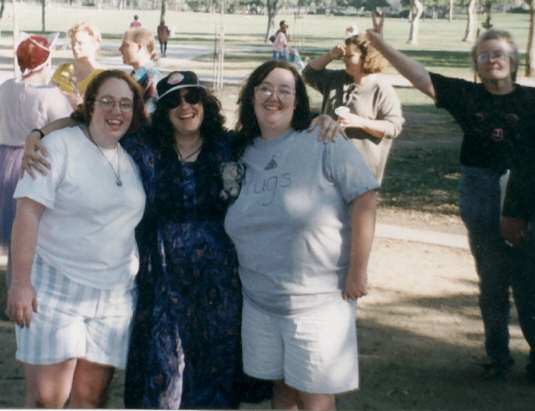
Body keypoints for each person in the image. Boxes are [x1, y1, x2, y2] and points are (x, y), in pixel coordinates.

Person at [21, 70, 343, 409]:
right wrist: (38, 133)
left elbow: (277, 129)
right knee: (163, 370)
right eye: (173, 100)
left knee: (213, 367)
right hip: (161, 281)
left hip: (219, 283)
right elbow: (82, 121)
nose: (184, 106)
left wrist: (320, 118)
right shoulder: (142, 145)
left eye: (192, 97)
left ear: (204, 102)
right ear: (163, 109)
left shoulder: (231, 145)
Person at [367, 12, 535, 379]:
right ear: (475, 65)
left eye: (500, 54)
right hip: (480, 191)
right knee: (492, 277)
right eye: (484, 55)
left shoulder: (531, 101)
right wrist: (381, 45)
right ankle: (497, 356)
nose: (492, 60)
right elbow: (422, 77)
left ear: (514, 63)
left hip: (525, 190)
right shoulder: (467, 96)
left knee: (528, 278)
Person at [224, 60, 380, 410]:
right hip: (261, 302)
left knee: (313, 395)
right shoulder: (238, 150)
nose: (273, 97)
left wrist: (358, 270)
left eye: (284, 90)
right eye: (265, 88)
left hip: (318, 302)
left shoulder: (323, 140)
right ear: (251, 97)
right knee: (281, 390)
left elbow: (365, 197)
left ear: (298, 101)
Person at [6, 70, 147, 408]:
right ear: (89, 105)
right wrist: (20, 282)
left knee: (92, 396)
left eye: (125, 104)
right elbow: (27, 214)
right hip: (53, 290)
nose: (116, 112)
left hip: (114, 296)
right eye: (107, 102)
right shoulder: (58, 147)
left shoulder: (132, 154)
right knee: (47, 398)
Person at [0, 33, 72, 290]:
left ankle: (15, 288)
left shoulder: (6, 86)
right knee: (35, 234)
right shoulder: (50, 94)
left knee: (14, 235)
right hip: (33, 163)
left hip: (4, 162)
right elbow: (69, 127)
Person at [302, 32, 404, 183]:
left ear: (367, 58)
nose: (344, 60)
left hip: (362, 170)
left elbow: (393, 128)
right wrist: (330, 55)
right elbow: (308, 73)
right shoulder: (336, 79)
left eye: (350, 57)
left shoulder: (381, 90)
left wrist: (359, 122)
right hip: (327, 164)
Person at [50, 22, 106, 109]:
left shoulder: (102, 75)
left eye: (80, 43)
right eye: (73, 43)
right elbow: (48, 98)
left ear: (95, 45)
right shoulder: (62, 69)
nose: (75, 47)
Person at [119, 27, 163, 115]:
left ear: (139, 47)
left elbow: (147, 117)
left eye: (126, 45)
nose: (120, 49)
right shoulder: (133, 78)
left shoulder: (152, 79)